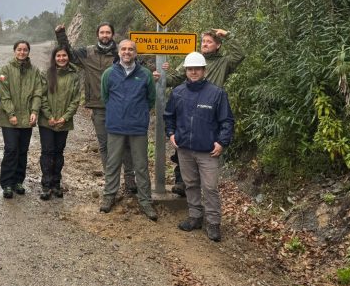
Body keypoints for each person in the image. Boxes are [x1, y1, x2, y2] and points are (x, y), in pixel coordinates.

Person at [55, 22, 137, 194]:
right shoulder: (88, 53)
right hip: (99, 107)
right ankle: (111, 180)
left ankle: (130, 180)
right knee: (104, 145)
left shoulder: (121, 53)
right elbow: (68, 54)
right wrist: (61, 34)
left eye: (108, 32)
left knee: (126, 144)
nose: (105, 35)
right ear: (97, 34)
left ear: (113, 35)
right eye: (102, 32)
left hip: (121, 107)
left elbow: (139, 69)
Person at [161, 28, 244, 196]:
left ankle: (203, 188)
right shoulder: (193, 60)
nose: (205, 44)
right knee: (183, 145)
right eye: (203, 41)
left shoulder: (224, 62)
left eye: (209, 42)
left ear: (218, 45)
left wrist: (228, 35)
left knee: (205, 150)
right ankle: (182, 183)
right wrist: (161, 76)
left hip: (210, 110)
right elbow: (176, 79)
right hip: (188, 106)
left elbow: (240, 54)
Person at [164, 52, 234, 242]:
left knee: (210, 187)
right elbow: (169, 116)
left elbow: (227, 121)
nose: (193, 72)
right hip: (184, 149)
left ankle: (213, 223)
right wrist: (171, 134)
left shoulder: (217, 93)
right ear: (186, 71)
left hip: (208, 151)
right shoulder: (178, 92)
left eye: (197, 69)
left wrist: (222, 142)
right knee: (190, 184)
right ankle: (195, 217)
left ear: (204, 70)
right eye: (190, 69)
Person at [98, 39, 158, 220]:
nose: (127, 52)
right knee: (113, 163)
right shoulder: (109, 74)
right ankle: (109, 196)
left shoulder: (145, 74)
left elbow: (151, 99)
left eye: (130, 49)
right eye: (123, 49)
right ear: (118, 52)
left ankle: (146, 201)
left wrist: (137, 113)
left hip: (138, 127)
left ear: (136, 53)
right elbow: (105, 97)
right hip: (115, 126)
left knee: (141, 165)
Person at [0, 40, 42, 198]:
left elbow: (38, 92)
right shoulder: (6, 69)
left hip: (27, 119)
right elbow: (4, 94)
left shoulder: (35, 71)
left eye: (25, 50)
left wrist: (34, 111)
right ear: (14, 51)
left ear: (28, 52)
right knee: (11, 149)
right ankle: (7, 183)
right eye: (19, 49)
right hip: (9, 119)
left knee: (23, 150)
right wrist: (11, 114)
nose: (22, 52)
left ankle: (18, 181)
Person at [38, 45, 82, 200]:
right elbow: (42, 96)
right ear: (54, 58)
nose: (61, 58)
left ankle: (56, 183)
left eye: (64, 56)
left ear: (68, 57)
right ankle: (46, 184)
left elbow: (76, 99)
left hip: (64, 121)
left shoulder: (74, 76)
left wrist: (65, 117)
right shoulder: (46, 74)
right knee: (47, 151)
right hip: (46, 122)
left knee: (59, 151)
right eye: (58, 56)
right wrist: (49, 116)